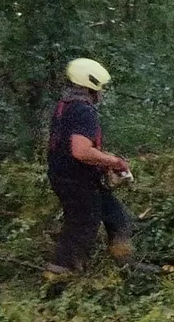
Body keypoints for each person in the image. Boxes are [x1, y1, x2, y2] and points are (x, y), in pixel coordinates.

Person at [44, 58, 135, 275]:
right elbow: (80, 151)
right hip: (77, 181)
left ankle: (126, 267)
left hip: (69, 176)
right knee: (81, 228)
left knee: (116, 216)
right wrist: (114, 161)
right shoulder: (83, 111)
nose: (102, 93)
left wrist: (102, 161)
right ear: (90, 86)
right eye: (101, 88)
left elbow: (71, 146)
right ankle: (56, 282)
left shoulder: (64, 106)